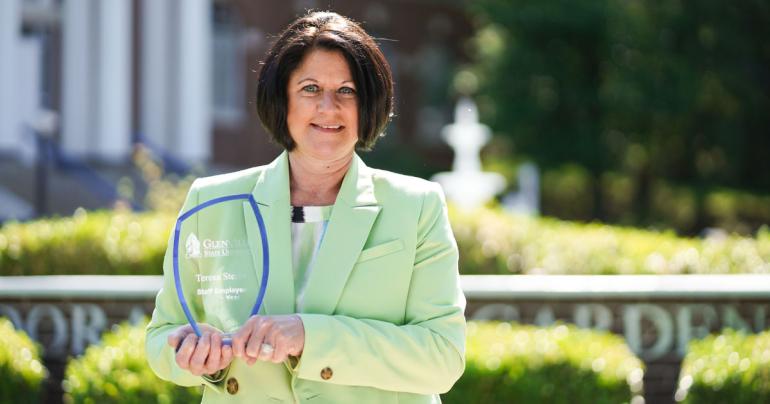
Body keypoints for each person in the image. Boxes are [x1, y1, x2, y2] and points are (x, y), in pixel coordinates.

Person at [146, 11, 466, 403]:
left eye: (346, 91)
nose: (328, 108)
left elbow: (443, 356)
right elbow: (163, 337)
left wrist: (310, 337)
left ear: (369, 104)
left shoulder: (417, 206)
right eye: (310, 88)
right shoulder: (210, 202)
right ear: (282, 100)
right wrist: (197, 358)